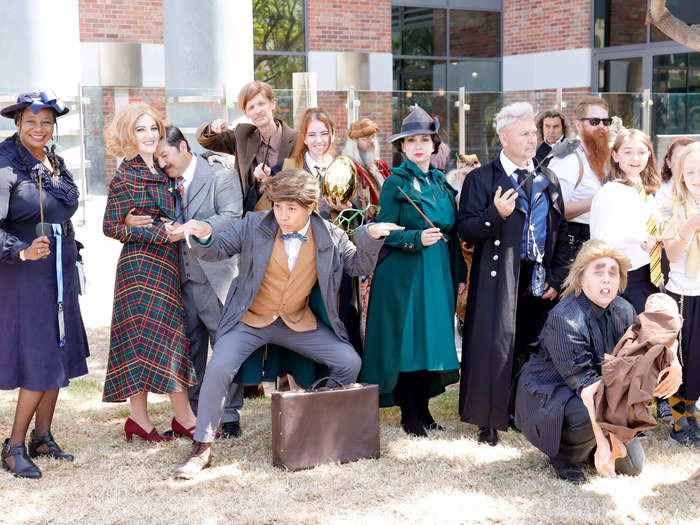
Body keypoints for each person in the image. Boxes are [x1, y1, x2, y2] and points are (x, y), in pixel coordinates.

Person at [169, 168, 401, 479]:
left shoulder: (330, 235)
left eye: (291, 208)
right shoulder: (254, 224)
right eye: (278, 206)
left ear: (310, 207)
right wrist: (205, 233)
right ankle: (202, 448)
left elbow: (357, 264)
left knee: (348, 361)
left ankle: (316, 424)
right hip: (250, 320)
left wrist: (370, 235)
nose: (282, 215)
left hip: (296, 321)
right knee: (219, 367)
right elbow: (218, 249)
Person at [457, 101, 569, 446]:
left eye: (533, 132)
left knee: (528, 346)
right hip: (497, 276)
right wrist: (496, 213)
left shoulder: (547, 178)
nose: (532, 138)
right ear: (503, 137)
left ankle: (519, 412)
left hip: (536, 276)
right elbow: (466, 231)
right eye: (524, 133)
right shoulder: (481, 179)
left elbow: (560, 230)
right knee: (493, 346)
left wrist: (555, 275)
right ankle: (488, 420)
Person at [125, 126, 245, 439]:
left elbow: (233, 216)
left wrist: (197, 227)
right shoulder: (163, 180)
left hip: (217, 276)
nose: (163, 163)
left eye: (165, 155)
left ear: (183, 147)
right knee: (188, 349)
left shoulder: (220, 173)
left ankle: (228, 414)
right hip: (178, 277)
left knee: (226, 345)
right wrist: (127, 217)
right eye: (158, 158)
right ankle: (192, 414)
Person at [0, 91, 90, 479]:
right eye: (31, 121)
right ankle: (13, 446)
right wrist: (21, 251)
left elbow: (61, 208)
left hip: (60, 266)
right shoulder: (5, 165)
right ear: (17, 122)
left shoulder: (53, 161)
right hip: (26, 274)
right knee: (38, 354)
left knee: (59, 347)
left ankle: (42, 436)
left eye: (46, 122)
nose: (39, 128)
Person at [361, 106, 461, 436]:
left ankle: (425, 408)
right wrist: (416, 238)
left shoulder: (441, 183)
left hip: (437, 274)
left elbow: (455, 232)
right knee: (409, 341)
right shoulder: (395, 183)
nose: (418, 146)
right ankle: (410, 413)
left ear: (434, 145)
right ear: (403, 148)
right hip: (404, 275)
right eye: (411, 141)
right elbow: (384, 230)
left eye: (424, 140)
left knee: (430, 340)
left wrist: (459, 276)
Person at [102, 103, 197, 443]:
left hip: (167, 265)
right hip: (138, 267)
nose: (149, 135)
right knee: (144, 341)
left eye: (153, 128)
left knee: (161, 339)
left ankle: (143, 421)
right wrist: (158, 231)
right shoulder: (125, 174)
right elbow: (110, 226)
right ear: (130, 133)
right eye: (141, 129)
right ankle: (174, 418)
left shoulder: (162, 168)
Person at [515, 240, 648, 483]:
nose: (606, 278)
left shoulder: (625, 310)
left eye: (613, 272)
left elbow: (634, 365)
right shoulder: (565, 317)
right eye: (598, 271)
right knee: (595, 409)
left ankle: (591, 447)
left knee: (634, 467)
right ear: (580, 279)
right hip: (551, 397)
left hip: (598, 392)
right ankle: (565, 457)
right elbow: (588, 388)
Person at [591, 292, 682, 476]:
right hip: (589, 395)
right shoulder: (573, 313)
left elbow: (662, 335)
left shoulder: (628, 314)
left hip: (624, 384)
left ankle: (616, 438)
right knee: (620, 381)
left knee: (634, 466)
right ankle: (602, 442)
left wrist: (674, 362)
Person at [196, 81, 296, 213]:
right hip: (251, 216)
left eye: (261, 104)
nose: (258, 111)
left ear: (272, 103)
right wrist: (213, 128)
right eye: (251, 107)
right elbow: (206, 140)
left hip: (288, 213)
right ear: (245, 113)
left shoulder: (296, 139)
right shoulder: (243, 136)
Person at [590, 128, 662, 314]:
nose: (635, 159)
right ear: (615, 156)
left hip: (650, 275)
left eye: (641, 152)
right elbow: (600, 240)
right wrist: (638, 239)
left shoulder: (643, 189)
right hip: (626, 281)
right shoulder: (610, 192)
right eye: (628, 152)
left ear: (649, 155)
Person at [659, 141, 700, 447]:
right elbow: (671, 254)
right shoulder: (672, 207)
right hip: (684, 295)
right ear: (681, 175)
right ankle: (679, 423)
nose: (697, 176)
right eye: (691, 171)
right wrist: (690, 226)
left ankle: (692, 417)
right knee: (682, 360)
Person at [341, 117, 391, 337]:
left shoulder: (380, 166)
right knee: (366, 304)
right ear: (355, 142)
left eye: (373, 137)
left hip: (387, 240)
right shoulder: (347, 167)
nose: (371, 141)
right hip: (363, 243)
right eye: (366, 138)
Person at [547, 96, 611, 264]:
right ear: (578, 125)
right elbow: (554, 209)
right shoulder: (569, 159)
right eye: (595, 121)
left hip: (600, 241)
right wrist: (598, 200)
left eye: (606, 121)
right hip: (572, 246)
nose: (602, 127)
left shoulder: (604, 154)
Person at [657, 136, 694, 205]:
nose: (684, 163)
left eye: (690, 158)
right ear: (669, 163)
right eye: (679, 158)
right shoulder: (658, 190)